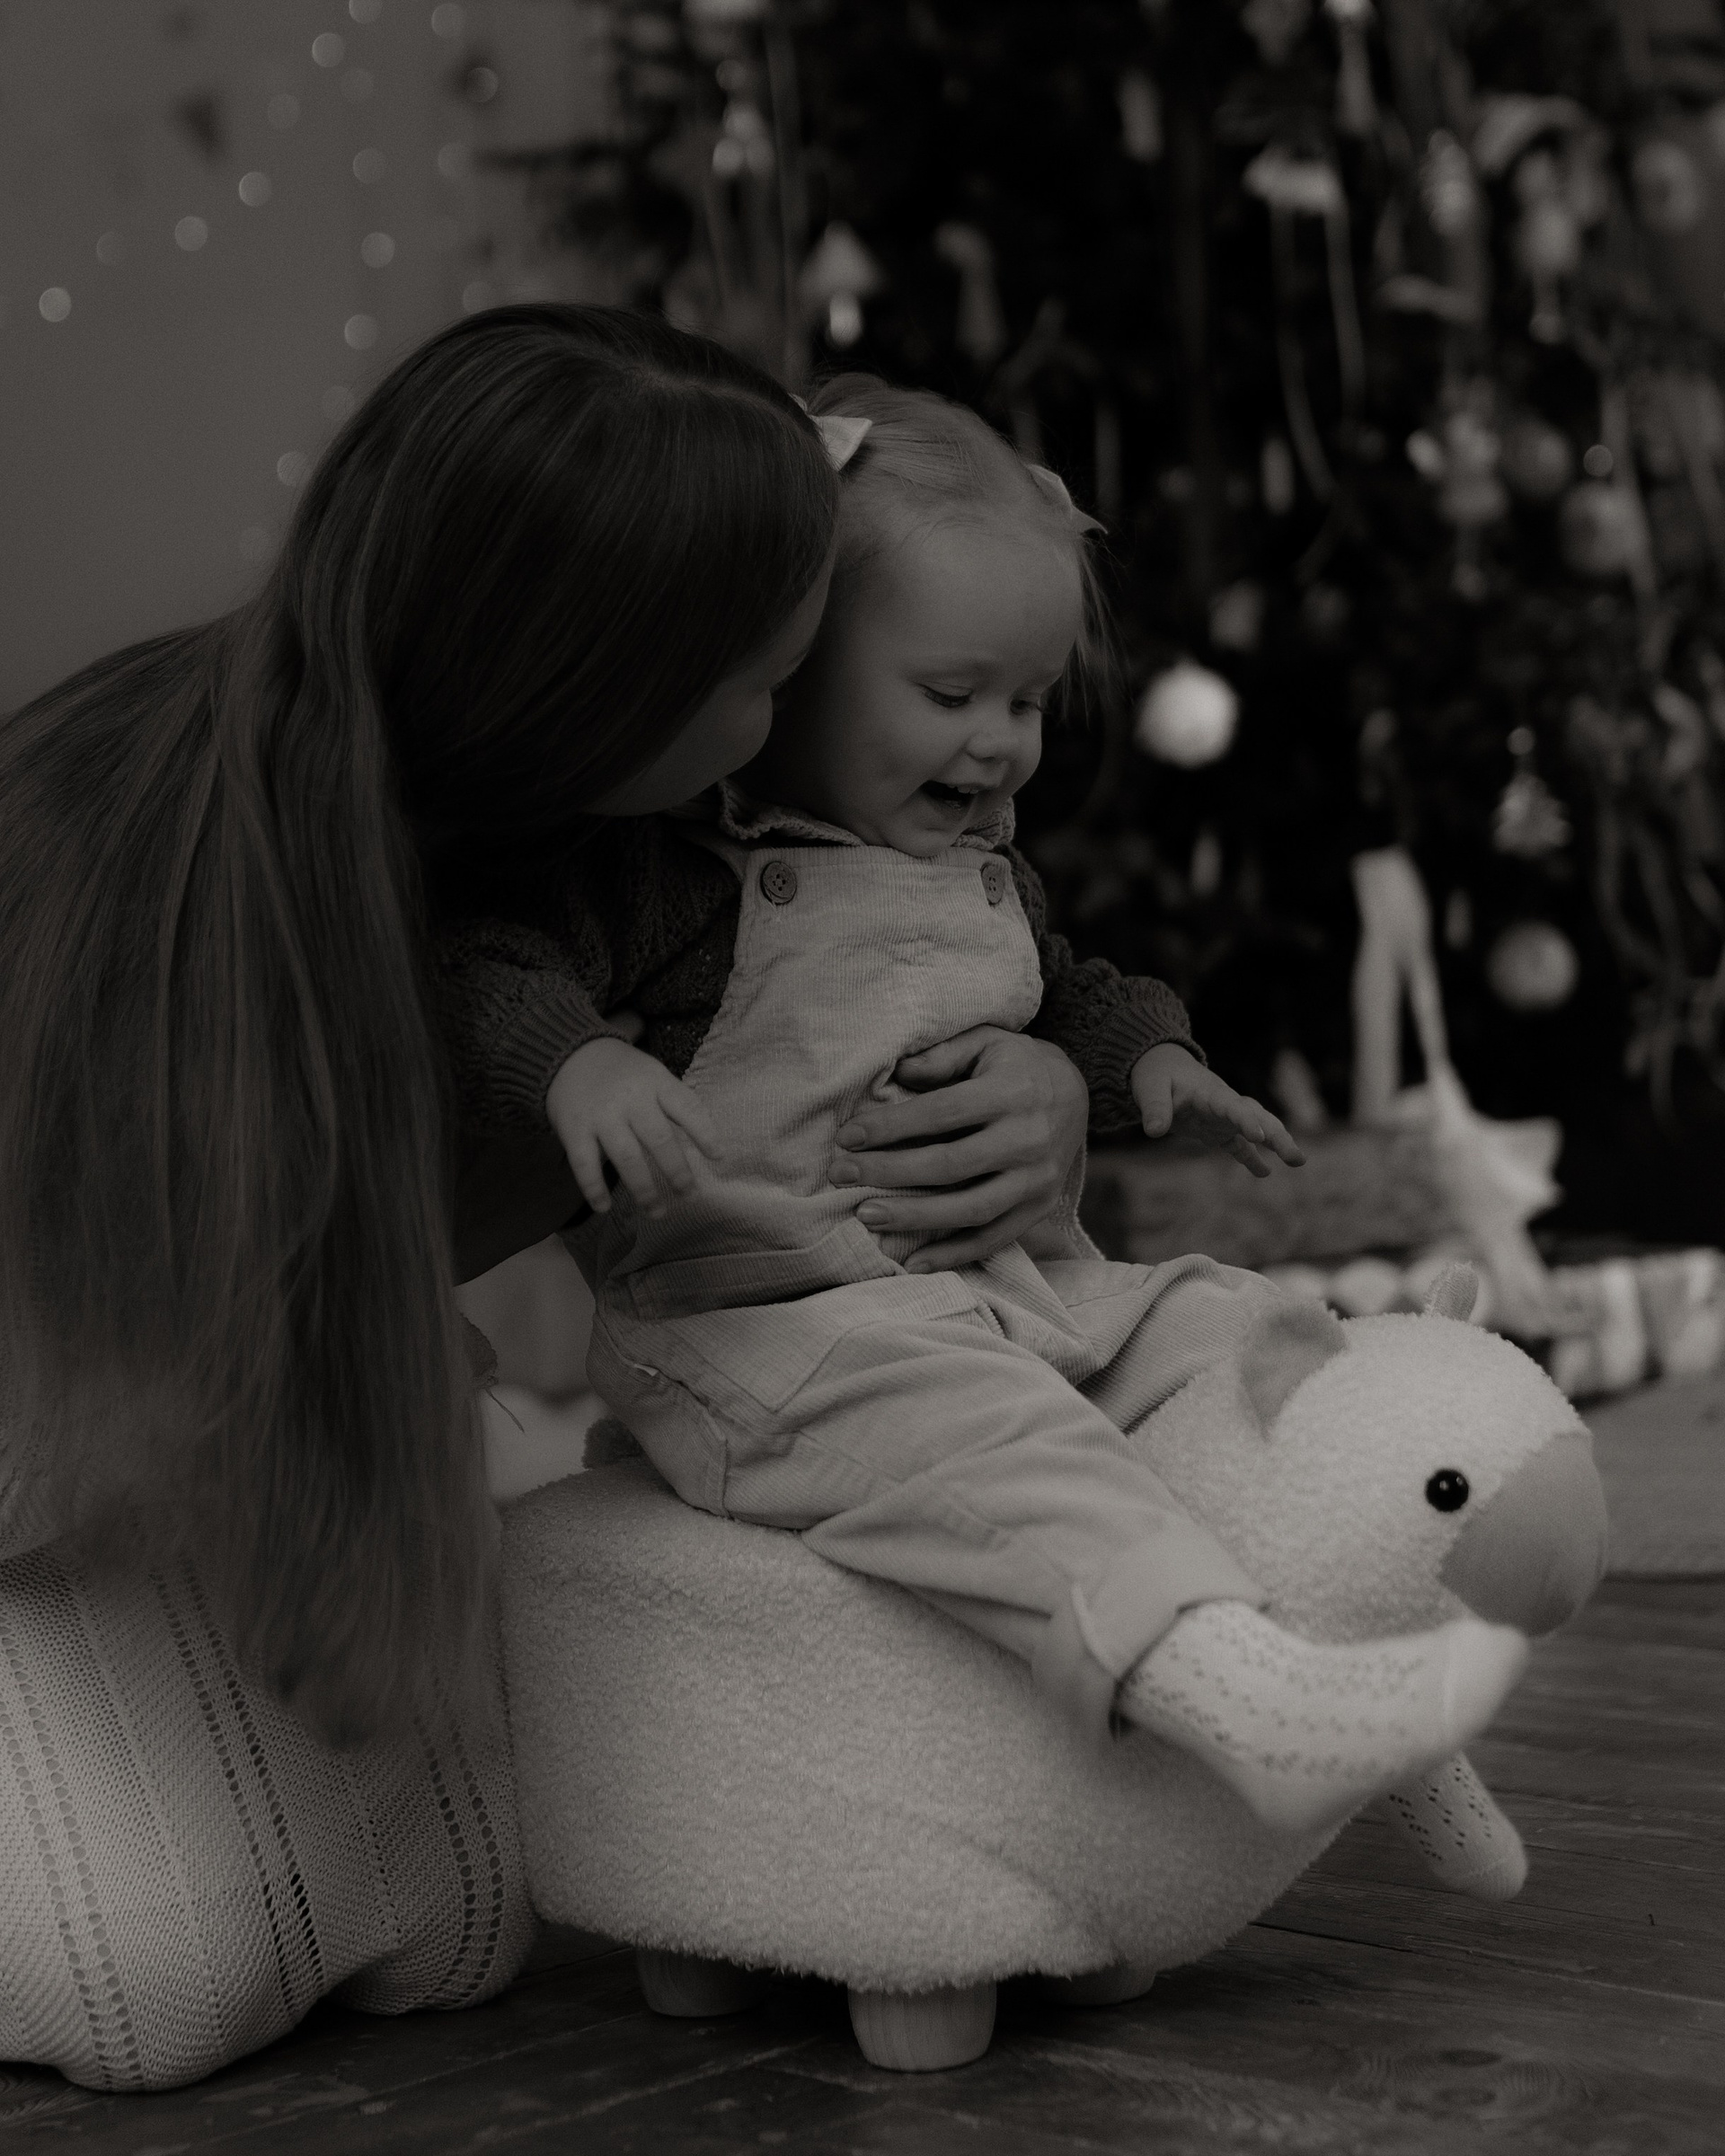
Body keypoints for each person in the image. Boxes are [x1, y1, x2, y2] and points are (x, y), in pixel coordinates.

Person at [0, 308, 1086, 2090]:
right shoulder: (170, 885)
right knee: (163, 1977)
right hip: (78, 1450)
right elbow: (123, 1378)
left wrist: (1043, 1090)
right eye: (773, 676)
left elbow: (852, 1029)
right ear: (595, 688)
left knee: (462, 1919)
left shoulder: (612, 852)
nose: (797, 721)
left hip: (270, 1418)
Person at [439, 377, 1529, 1840]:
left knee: (1233, 1328)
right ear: (785, 676)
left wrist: (1149, 1062)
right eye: (952, 698)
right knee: (1004, 1445)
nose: (1003, 744)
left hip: (1001, 1290)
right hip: (771, 1328)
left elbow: (1068, 988)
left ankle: (1397, 1688)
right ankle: (1244, 1702)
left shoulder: (984, 870)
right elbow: (488, 965)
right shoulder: (676, 875)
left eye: (1027, 702)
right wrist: (579, 1063)